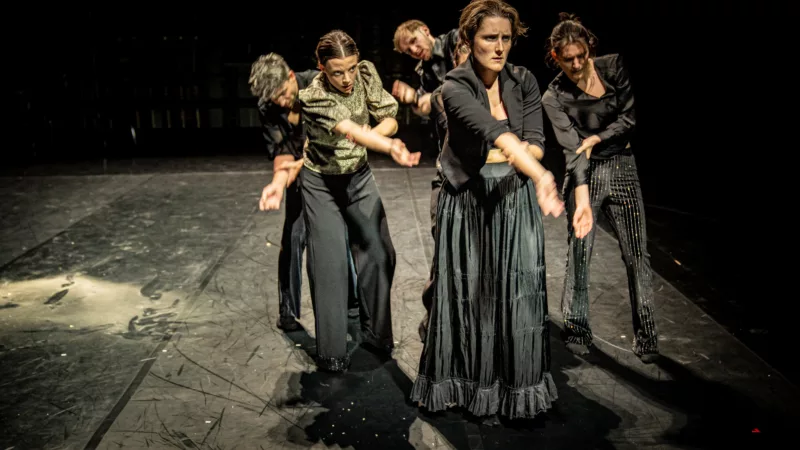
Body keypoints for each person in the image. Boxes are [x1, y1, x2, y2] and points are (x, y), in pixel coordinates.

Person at [411, 0, 584, 421]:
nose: (500, 46)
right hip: (468, 197)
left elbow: (534, 137)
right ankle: (467, 386)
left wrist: (531, 163)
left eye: (506, 38)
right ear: (468, 40)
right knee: (471, 296)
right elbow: (498, 135)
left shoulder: (523, 80)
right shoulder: (454, 87)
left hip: (513, 196)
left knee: (516, 295)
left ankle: (515, 388)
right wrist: (541, 176)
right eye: (490, 37)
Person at [297, 30, 420, 373]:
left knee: (381, 254)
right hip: (321, 183)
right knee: (331, 266)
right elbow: (350, 128)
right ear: (321, 67)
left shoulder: (365, 74)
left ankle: (377, 334)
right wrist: (387, 146)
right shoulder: (313, 96)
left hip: (359, 177)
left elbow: (390, 119)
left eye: (350, 68)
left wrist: (380, 137)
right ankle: (333, 352)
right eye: (337, 72)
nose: (347, 78)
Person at [542, 13, 658, 363]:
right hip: (584, 172)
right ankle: (577, 328)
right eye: (568, 59)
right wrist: (580, 193)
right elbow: (571, 149)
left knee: (637, 253)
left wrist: (597, 137)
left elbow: (629, 118)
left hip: (622, 165)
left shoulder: (613, 67)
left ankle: (648, 334)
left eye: (582, 56)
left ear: (589, 49)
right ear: (556, 57)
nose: (576, 64)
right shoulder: (554, 96)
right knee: (580, 254)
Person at [249, 53, 360, 332]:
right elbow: (282, 151)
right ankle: (287, 309)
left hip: (334, 169)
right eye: (276, 100)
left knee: (340, 236)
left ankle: (353, 303)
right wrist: (277, 183)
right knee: (293, 237)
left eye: (285, 95)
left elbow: (337, 138)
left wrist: (294, 168)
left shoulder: (318, 85)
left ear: (290, 77)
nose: (283, 102)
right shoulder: (269, 106)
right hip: (300, 174)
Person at [416, 40, 469, 343]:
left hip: (481, 186)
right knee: (445, 254)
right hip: (449, 183)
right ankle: (434, 323)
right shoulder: (442, 96)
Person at [392, 20, 459, 117]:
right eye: (408, 51)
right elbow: (424, 106)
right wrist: (413, 97)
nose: (414, 50)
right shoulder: (425, 71)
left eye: (413, 41)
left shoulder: (454, 40)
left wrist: (435, 98)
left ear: (425, 30)